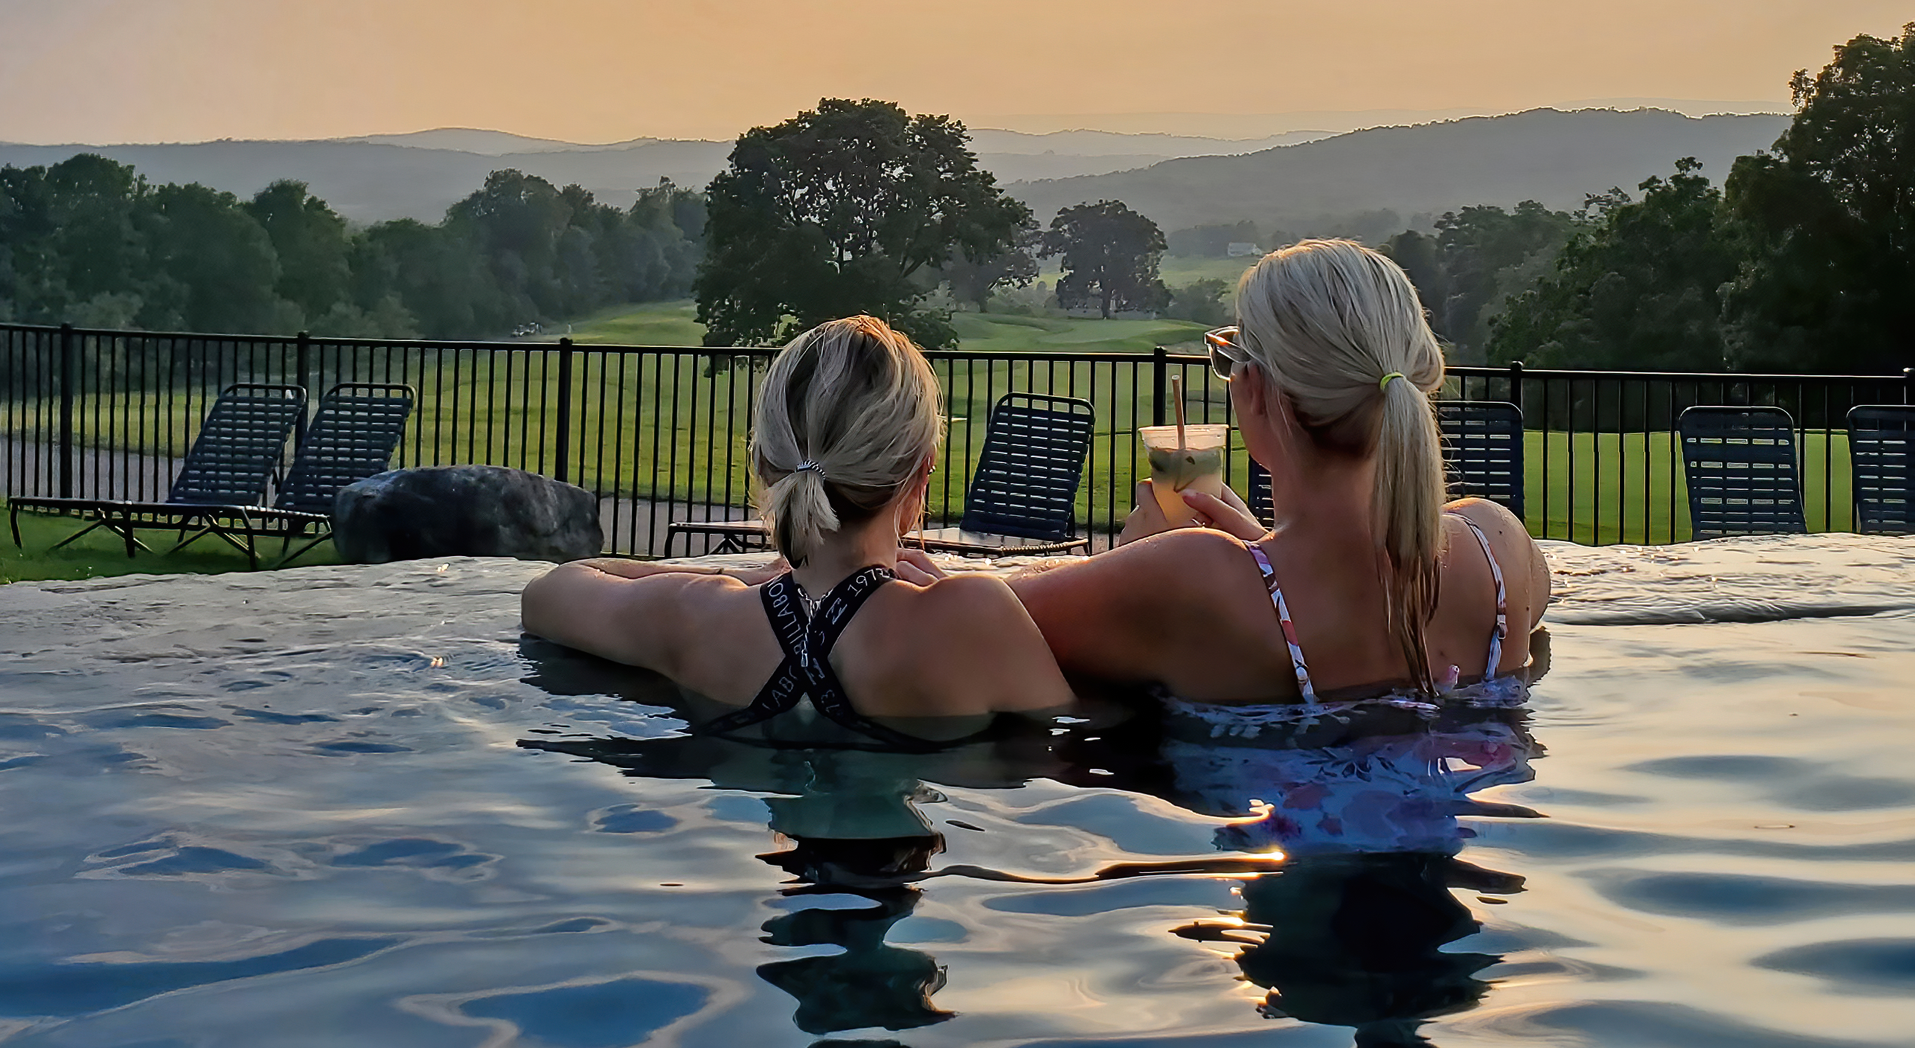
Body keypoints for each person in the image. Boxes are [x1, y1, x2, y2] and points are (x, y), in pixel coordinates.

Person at [1011, 239, 1551, 707]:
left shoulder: (1189, 576)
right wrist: (1260, 551)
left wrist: (1136, 564)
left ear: (1259, 390)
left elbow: (972, 615)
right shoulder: (1497, 542)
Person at [521, 314, 1073, 747]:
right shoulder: (975, 617)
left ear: (764, 463)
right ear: (921, 471)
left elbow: (550, 592)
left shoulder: (695, 616)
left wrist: (734, 576)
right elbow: (1070, 747)